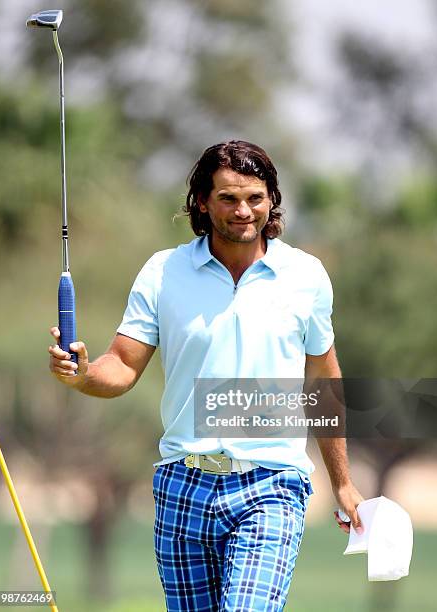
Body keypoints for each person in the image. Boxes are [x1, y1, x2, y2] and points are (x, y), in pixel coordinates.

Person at [48, 140, 364, 611]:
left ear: (272, 200)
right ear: (202, 201)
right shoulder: (163, 272)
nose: (243, 211)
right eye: (228, 199)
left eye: (255, 198)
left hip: (270, 485)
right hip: (182, 485)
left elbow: (322, 377)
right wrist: (82, 375)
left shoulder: (306, 275)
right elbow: (122, 365)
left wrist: (342, 481)